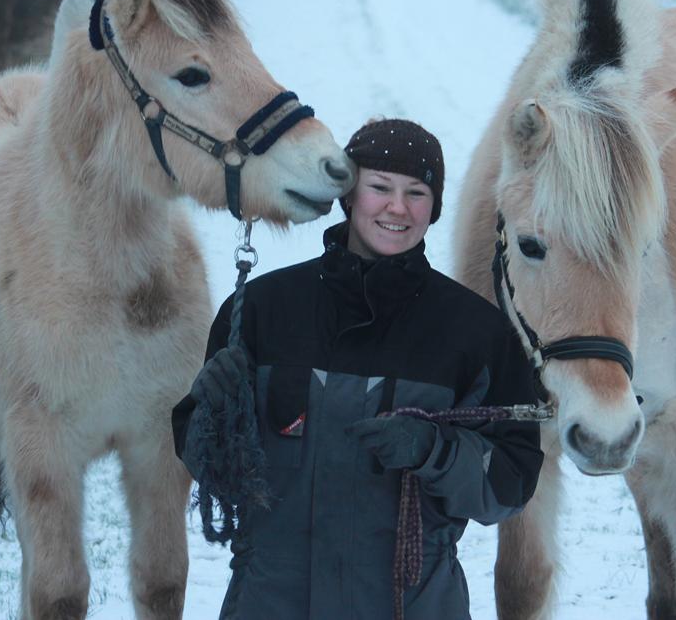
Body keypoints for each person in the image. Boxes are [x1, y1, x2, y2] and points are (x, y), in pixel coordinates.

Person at [172, 118, 544, 619]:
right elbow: (208, 466)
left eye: (417, 192)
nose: (397, 207)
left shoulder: (476, 332)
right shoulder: (263, 308)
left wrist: (435, 451)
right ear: (350, 195)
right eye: (380, 187)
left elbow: (510, 486)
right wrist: (212, 412)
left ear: (434, 208)